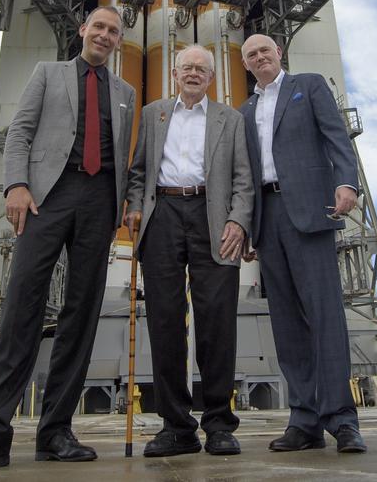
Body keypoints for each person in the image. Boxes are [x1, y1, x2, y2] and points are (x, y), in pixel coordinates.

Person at [0, 6, 137, 472]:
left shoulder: (124, 92)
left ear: (119, 41)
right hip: (48, 196)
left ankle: (56, 431)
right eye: (98, 27)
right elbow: (21, 131)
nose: (104, 36)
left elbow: (125, 158)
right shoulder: (48, 73)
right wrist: (16, 186)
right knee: (22, 305)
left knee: (80, 315)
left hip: (99, 202)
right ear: (83, 30)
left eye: (113, 31)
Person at [123, 44, 255, 458]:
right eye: (187, 68)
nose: (194, 73)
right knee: (164, 319)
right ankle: (176, 427)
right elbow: (139, 169)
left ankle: (219, 423)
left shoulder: (229, 119)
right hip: (162, 214)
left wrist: (238, 220)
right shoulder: (153, 113)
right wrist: (136, 205)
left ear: (212, 78)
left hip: (212, 217)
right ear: (175, 74)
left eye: (202, 69)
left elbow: (243, 178)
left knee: (217, 320)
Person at [239, 33, 367, 455]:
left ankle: (342, 419)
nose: (260, 58)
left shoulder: (308, 86)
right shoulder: (246, 110)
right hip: (268, 217)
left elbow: (336, 138)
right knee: (287, 324)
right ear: (246, 64)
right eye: (251, 55)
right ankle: (304, 419)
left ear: (279, 53)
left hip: (311, 213)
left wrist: (346, 182)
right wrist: (246, 226)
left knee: (325, 315)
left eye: (265, 51)